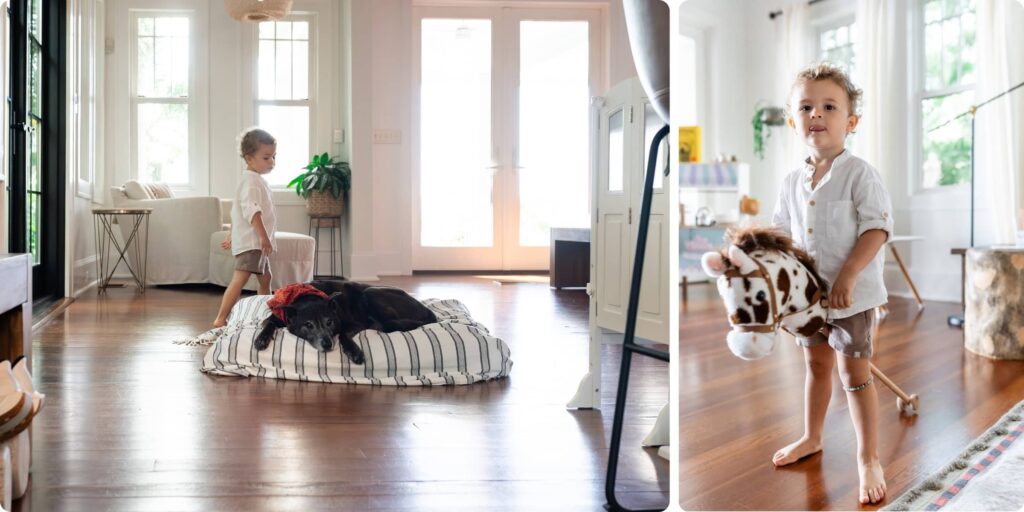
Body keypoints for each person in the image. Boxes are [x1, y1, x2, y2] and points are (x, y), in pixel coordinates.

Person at [770, 63, 894, 505]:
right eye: (806, 107)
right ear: (793, 121)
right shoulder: (790, 182)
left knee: (854, 375)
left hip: (851, 298)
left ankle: (868, 457)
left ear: (850, 121)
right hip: (809, 302)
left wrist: (848, 275)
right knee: (817, 367)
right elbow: (781, 235)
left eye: (828, 106)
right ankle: (812, 436)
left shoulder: (860, 174)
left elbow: (876, 229)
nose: (816, 114)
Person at [213, 128, 278, 328]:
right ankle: (221, 319)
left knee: (266, 278)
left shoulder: (254, 180)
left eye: (274, 156)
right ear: (249, 158)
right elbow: (252, 212)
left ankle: (263, 313)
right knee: (239, 280)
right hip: (253, 243)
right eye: (266, 157)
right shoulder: (251, 182)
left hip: (255, 243)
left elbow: (237, 211)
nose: (272, 162)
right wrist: (264, 237)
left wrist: (232, 234)